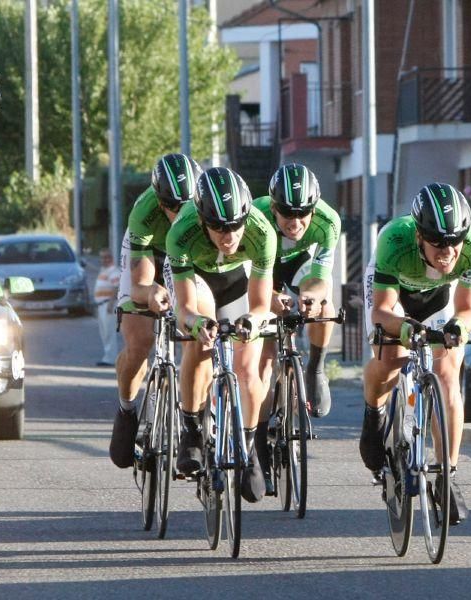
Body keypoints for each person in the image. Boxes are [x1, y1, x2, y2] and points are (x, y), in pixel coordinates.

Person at [359, 182, 471, 525]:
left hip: (438, 298)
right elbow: (382, 310)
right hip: (397, 297)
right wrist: (404, 329)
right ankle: (374, 414)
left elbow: (467, 308)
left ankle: (448, 475)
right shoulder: (394, 240)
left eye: (453, 243)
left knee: (447, 376)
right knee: (388, 360)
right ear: (419, 237)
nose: (447, 252)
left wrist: (458, 328)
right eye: (437, 243)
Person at [158, 166, 276, 504]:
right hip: (198, 279)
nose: (229, 236)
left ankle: (250, 447)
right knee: (199, 346)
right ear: (202, 222)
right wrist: (197, 325)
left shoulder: (262, 232)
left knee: (247, 369)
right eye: (219, 228)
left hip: (239, 279)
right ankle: (192, 431)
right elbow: (184, 310)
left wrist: (253, 321)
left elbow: (260, 303)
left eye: (235, 226)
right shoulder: (181, 232)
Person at [108, 153, 202, 468]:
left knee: (200, 329)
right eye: (173, 207)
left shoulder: (204, 209)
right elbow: (138, 284)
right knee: (139, 343)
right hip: (152, 254)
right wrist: (151, 291)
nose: (181, 213)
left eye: (188, 205)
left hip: (190, 254)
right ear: (161, 203)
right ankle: (127, 408)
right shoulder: (145, 212)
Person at [252, 163, 341, 494]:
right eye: (287, 212)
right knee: (263, 359)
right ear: (273, 207)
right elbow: (250, 279)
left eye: (304, 212)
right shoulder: (255, 216)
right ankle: (258, 439)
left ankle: (316, 369)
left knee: (324, 306)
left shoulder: (327, 221)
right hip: (263, 265)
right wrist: (272, 299)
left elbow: (320, 277)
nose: (296, 221)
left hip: (301, 264)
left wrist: (310, 296)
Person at [94, 248, 121, 367]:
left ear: (111, 258)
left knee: (109, 332)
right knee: (104, 332)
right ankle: (108, 356)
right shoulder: (104, 271)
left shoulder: (114, 271)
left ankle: (110, 358)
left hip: (108, 304)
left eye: (107, 257)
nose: (104, 259)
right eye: (103, 257)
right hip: (101, 305)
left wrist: (111, 303)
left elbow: (116, 287)